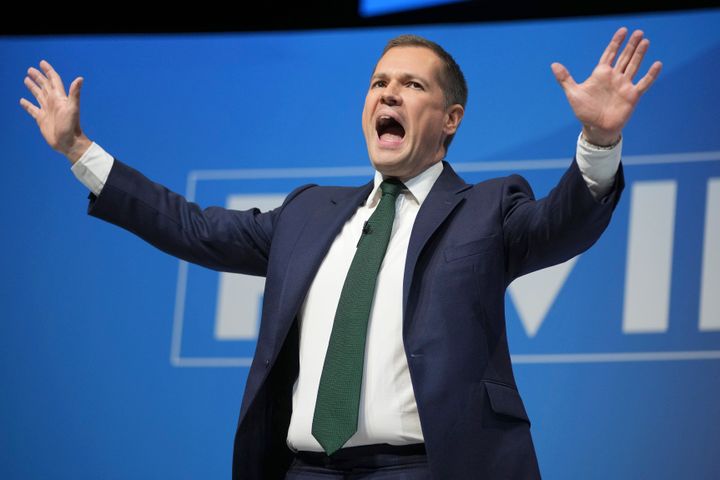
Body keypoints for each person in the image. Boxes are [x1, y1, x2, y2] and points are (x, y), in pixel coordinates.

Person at [20, 27, 661, 480]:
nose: (388, 94)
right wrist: (81, 152)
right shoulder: (309, 213)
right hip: (306, 470)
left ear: (450, 119)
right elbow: (193, 227)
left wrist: (599, 141)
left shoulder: (487, 209)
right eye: (379, 82)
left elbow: (564, 224)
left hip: (426, 468)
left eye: (411, 85)